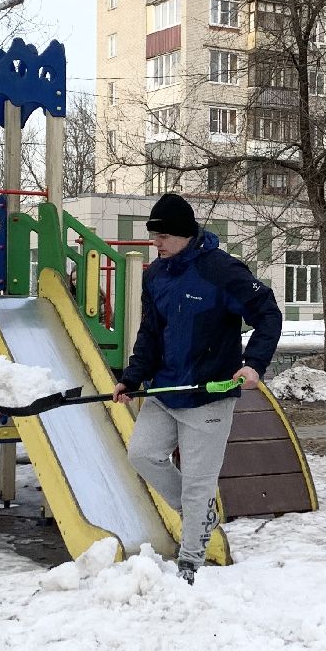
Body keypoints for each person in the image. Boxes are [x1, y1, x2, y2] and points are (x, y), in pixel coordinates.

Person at [113, 193, 282, 583]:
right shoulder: (155, 275)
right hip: (165, 390)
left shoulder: (221, 271)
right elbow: (150, 333)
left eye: (163, 236)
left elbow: (268, 313)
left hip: (209, 393)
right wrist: (132, 377)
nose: (156, 243)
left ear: (185, 234)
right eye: (153, 235)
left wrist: (254, 364)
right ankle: (199, 514)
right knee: (142, 455)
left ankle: (191, 561)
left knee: (198, 481)